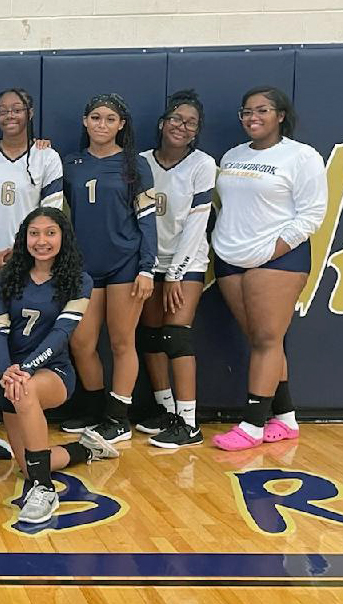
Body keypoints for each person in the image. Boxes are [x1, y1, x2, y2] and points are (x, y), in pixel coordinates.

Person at [211, 86, 327, 451]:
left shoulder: (301, 156)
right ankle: (286, 416)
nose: (252, 117)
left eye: (262, 110)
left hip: (277, 258)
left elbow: (312, 214)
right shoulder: (232, 155)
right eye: (246, 110)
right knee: (264, 341)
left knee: (265, 340)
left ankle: (253, 423)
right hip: (230, 257)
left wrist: (273, 250)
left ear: (280, 115)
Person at [0, 87, 62, 448]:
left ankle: (21, 413)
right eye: (3, 110)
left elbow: (51, 214)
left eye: (17, 109)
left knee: (22, 340)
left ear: (29, 112)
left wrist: (22, 258)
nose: (10, 116)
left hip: (30, 265)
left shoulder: (46, 157)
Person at [0, 207, 98, 524]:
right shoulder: (8, 276)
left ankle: (44, 489)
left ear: (63, 237)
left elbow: (61, 333)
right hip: (12, 375)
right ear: (24, 238)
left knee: (25, 393)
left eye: (50, 232)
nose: (42, 240)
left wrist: (22, 371)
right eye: (34, 233)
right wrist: (6, 370)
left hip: (54, 372)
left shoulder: (79, 281)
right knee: (27, 462)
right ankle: (84, 449)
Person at [61, 93, 156, 448]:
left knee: (121, 341)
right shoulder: (70, 163)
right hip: (83, 266)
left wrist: (148, 268)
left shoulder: (135, 166)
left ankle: (118, 418)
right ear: (85, 121)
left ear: (122, 125)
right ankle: (94, 406)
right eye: (96, 117)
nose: (102, 125)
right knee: (82, 342)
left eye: (110, 119)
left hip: (125, 265)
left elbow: (147, 220)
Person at [136, 90, 216, 448]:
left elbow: (197, 225)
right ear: (162, 123)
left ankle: (189, 422)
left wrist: (175, 275)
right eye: (176, 119)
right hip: (148, 262)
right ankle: (166, 411)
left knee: (176, 335)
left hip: (186, 263)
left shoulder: (203, 164)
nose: (181, 126)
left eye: (190, 122)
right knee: (150, 335)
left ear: (196, 131)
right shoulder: (140, 163)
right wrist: (151, 267)